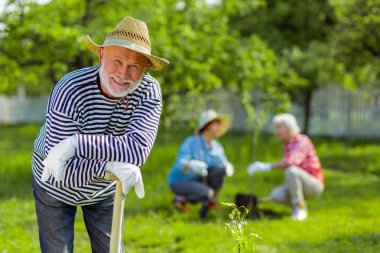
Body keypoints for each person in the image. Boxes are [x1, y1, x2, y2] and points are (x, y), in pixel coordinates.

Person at [32, 17, 169, 253]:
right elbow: (64, 173)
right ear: (101, 55)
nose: (123, 73)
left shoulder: (149, 91)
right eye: (117, 60)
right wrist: (109, 166)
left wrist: (75, 144)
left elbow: (137, 149)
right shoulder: (70, 89)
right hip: (54, 183)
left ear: (145, 69)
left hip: (106, 190)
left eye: (135, 66)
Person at [247, 113, 324, 221]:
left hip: (314, 185)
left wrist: (266, 166)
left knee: (290, 170)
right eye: (275, 128)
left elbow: (290, 162)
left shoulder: (301, 141)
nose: (276, 131)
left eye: (279, 128)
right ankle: (300, 204)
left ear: (290, 127)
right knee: (276, 195)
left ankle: (299, 209)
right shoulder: (286, 144)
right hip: (302, 183)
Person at [168, 110, 234, 218]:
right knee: (206, 193)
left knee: (220, 170)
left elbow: (223, 163)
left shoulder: (216, 146)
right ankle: (181, 198)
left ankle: (210, 201)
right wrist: (191, 165)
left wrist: (228, 166)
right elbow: (180, 164)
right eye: (216, 124)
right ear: (207, 126)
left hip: (200, 179)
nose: (219, 127)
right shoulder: (191, 142)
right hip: (181, 181)